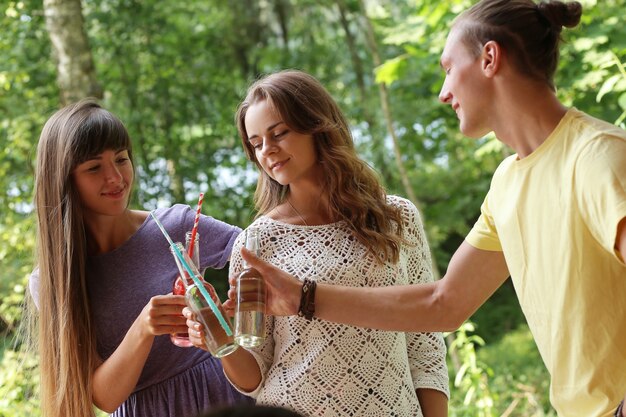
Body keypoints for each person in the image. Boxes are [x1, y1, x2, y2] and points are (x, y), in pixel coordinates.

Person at [229, 1, 626, 417]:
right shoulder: (509, 182)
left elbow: (431, 333)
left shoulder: (599, 159)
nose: (443, 92)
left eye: (448, 68)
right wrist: (302, 297)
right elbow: (444, 304)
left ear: (490, 58)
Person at [186, 69, 449, 416]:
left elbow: (425, 342)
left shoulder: (396, 217)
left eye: (279, 133)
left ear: (318, 127)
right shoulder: (257, 242)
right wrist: (219, 340)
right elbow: (255, 373)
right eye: (256, 143)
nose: (268, 150)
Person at [28, 99, 252, 417]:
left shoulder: (176, 226)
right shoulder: (52, 280)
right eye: (94, 167)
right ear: (63, 179)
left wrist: (235, 312)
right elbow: (104, 397)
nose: (115, 177)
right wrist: (144, 327)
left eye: (121, 159)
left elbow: (263, 253)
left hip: (226, 398)